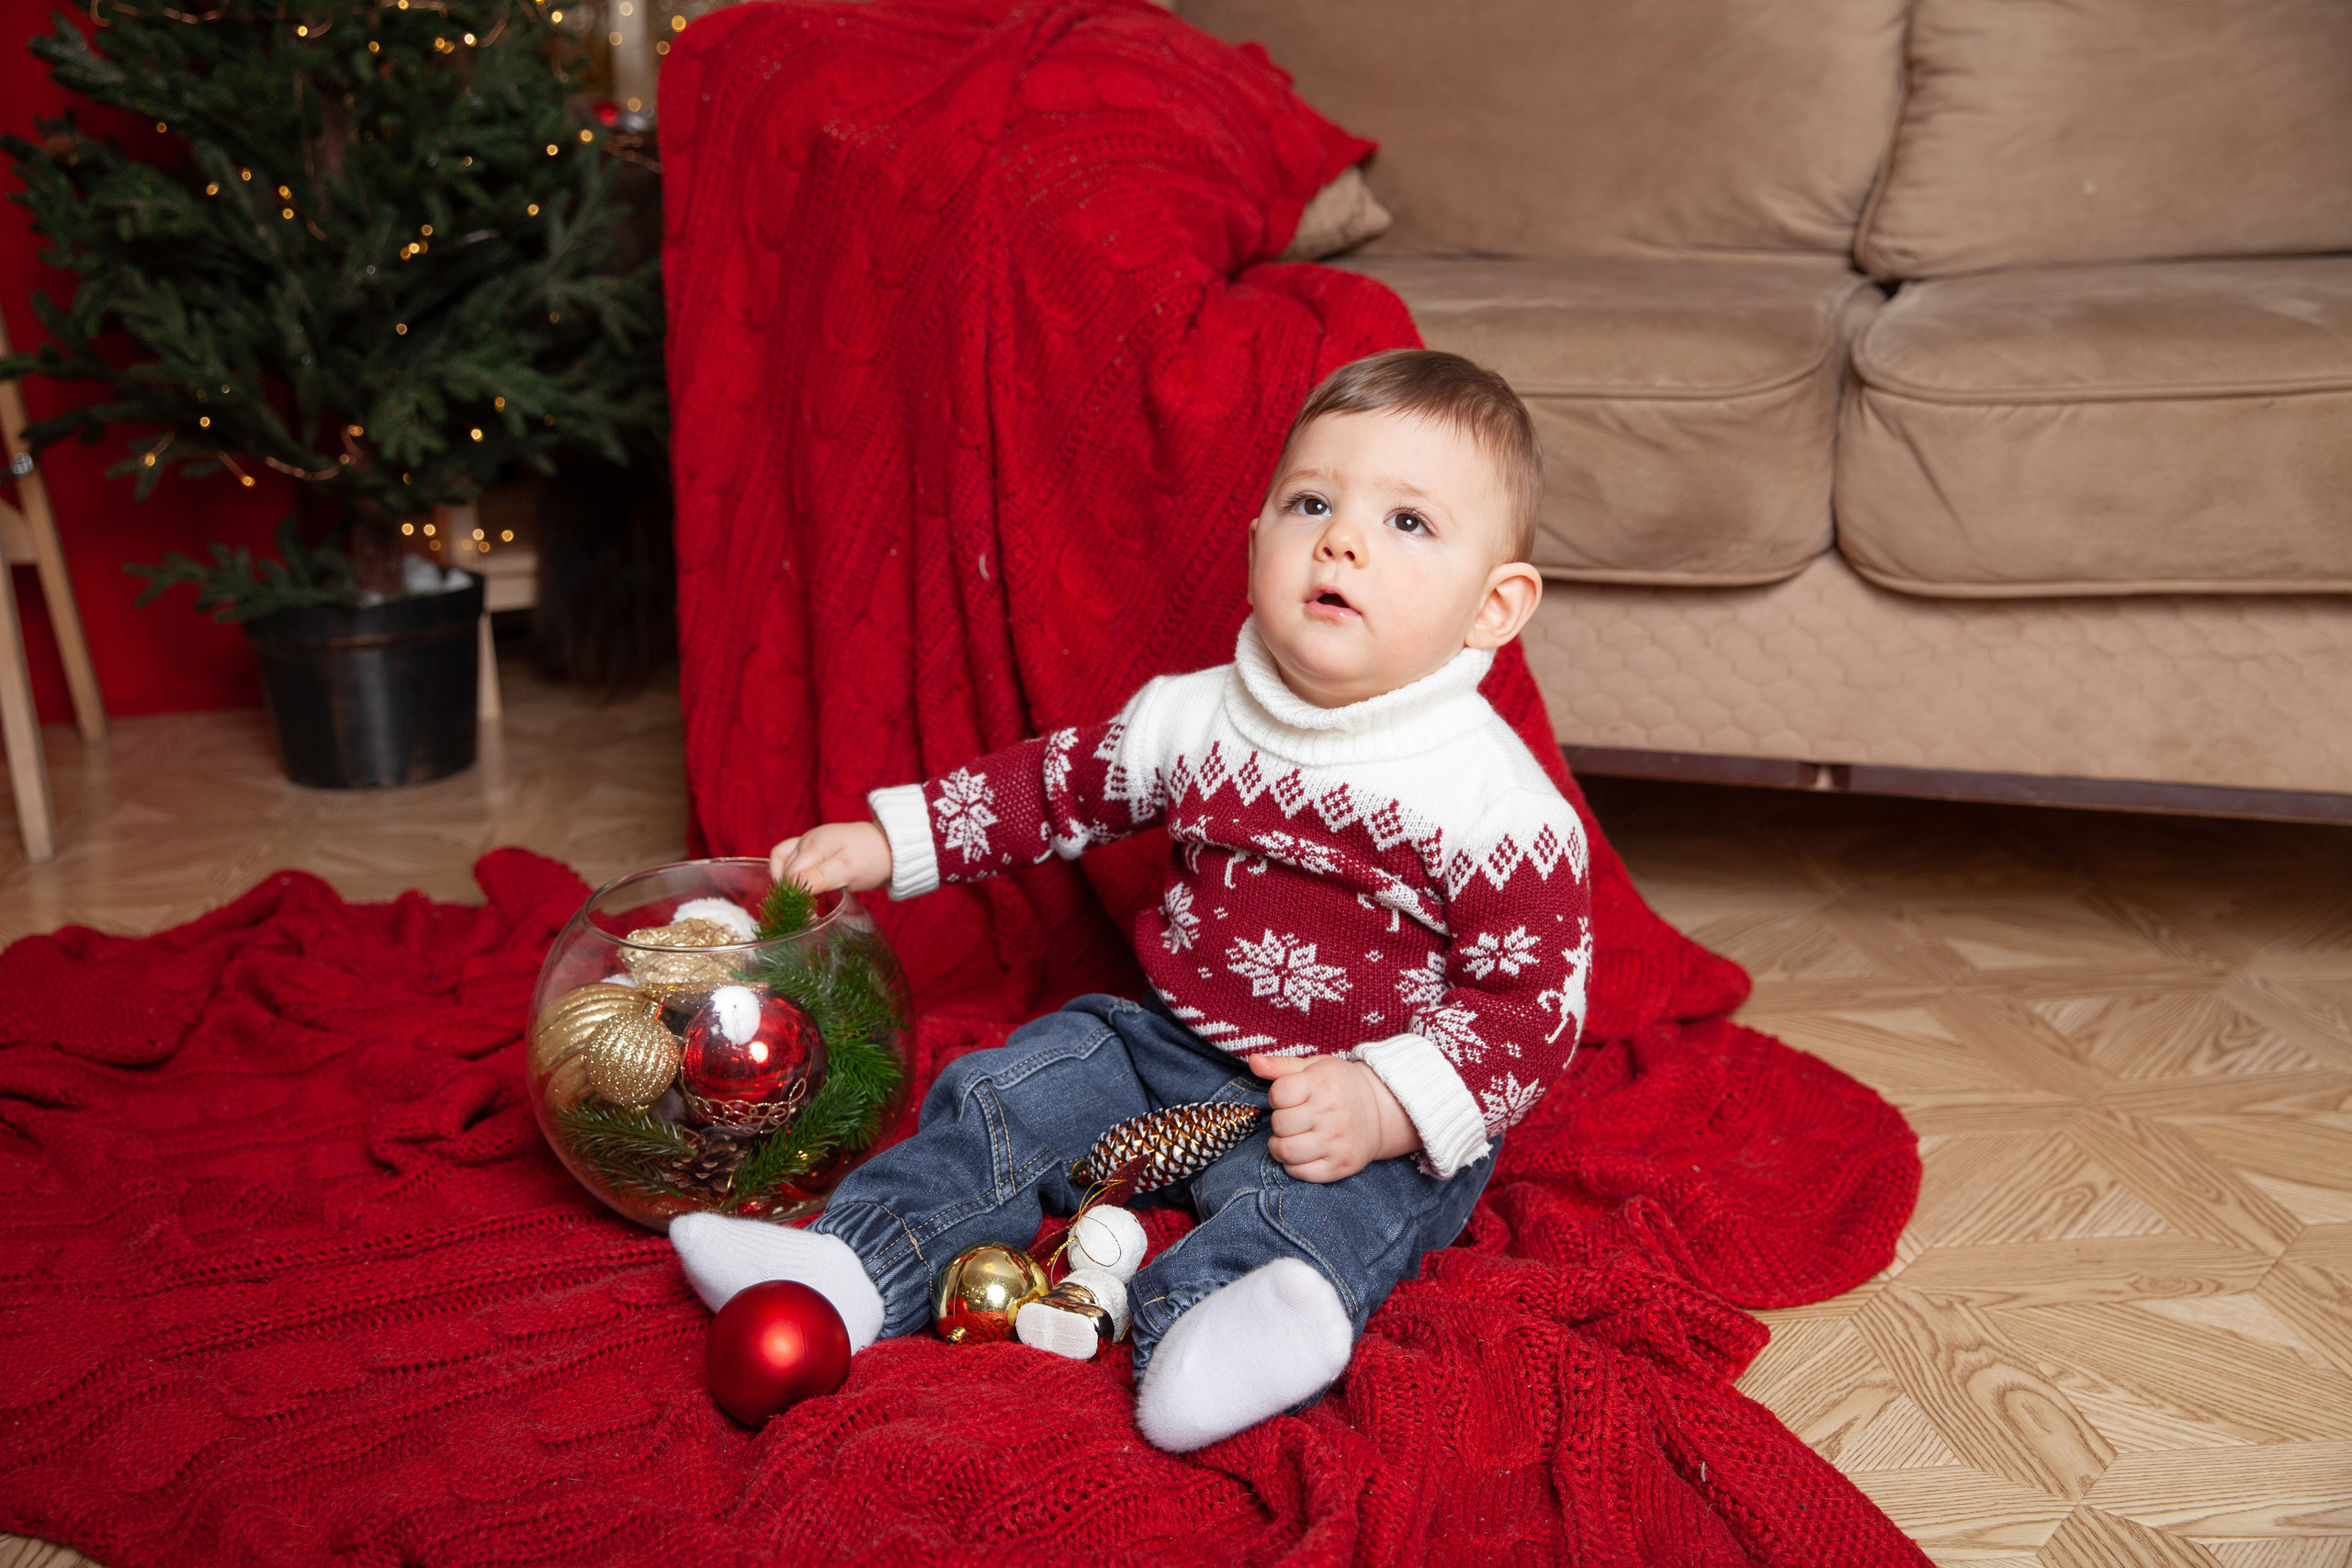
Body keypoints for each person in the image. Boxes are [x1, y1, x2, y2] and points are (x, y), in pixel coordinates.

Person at [672, 348, 1593, 1452]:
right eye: (1311, 503)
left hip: (1357, 1097)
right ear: (1257, 545)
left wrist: (1389, 1104)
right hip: (1168, 1040)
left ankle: (1228, 1325)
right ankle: (857, 1260)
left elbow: (1531, 1006)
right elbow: (1047, 789)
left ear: (1496, 605)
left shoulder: (1497, 806)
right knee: (1010, 1092)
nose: (1342, 538)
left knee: (1353, 1208)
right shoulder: (1190, 717)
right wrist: (890, 839)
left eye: (1408, 523)